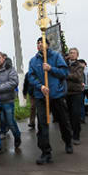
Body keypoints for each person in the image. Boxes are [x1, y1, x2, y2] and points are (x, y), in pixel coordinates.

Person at [28, 37, 72, 165]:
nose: (40, 45)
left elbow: (64, 72)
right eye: (38, 43)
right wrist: (40, 86)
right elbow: (31, 76)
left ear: (48, 44)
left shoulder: (56, 56)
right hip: (41, 96)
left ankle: (68, 141)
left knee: (63, 121)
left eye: (42, 42)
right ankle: (45, 152)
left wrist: (51, 68)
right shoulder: (33, 60)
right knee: (42, 124)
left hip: (56, 95)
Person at [65, 48, 85, 145]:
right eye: (70, 53)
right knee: (68, 115)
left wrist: (65, 74)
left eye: (74, 53)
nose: (72, 54)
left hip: (76, 93)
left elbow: (77, 77)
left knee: (75, 114)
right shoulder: (65, 64)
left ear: (77, 55)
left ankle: (76, 136)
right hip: (66, 93)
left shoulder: (80, 66)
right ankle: (70, 133)